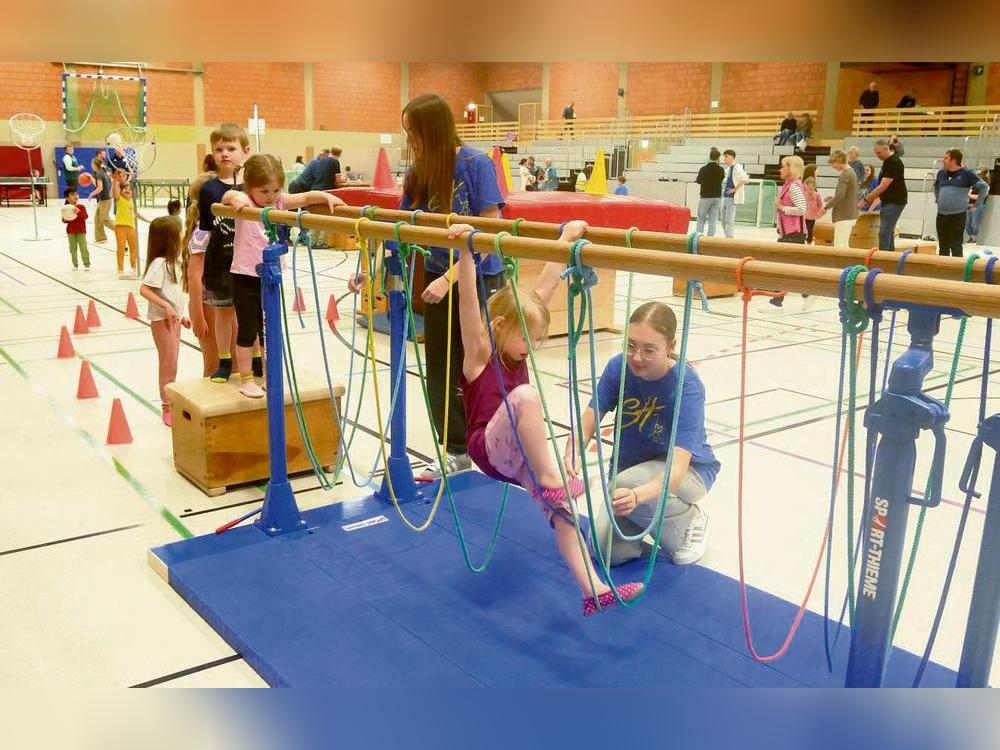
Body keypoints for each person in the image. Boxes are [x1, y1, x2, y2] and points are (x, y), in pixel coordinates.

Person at [448, 217, 644, 615]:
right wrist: (466, 253)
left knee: (565, 513)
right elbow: (468, 301)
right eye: (528, 339)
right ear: (500, 325)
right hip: (488, 448)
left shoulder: (515, 333)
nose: (531, 348)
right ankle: (554, 480)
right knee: (526, 395)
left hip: (518, 456)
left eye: (536, 340)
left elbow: (544, 289)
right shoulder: (480, 351)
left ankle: (593, 589)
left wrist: (564, 238)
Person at [398, 93, 509, 478]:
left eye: (415, 133)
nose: (411, 142)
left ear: (433, 129)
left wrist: (451, 278)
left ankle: (489, 443)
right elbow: (401, 226)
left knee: (475, 362)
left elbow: (490, 225)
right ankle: (456, 449)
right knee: (439, 367)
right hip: (437, 272)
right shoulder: (419, 173)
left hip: (477, 275)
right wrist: (373, 269)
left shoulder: (475, 164)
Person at [570, 301, 720, 566]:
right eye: (631, 346)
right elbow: (586, 424)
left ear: (670, 348)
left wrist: (637, 496)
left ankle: (690, 521)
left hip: (689, 474)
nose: (637, 357)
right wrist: (570, 458)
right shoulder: (619, 368)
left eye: (650, 350)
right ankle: (644, 522)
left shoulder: (687, 386)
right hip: (630, 474)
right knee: (605, 552)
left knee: (627, 486)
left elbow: (675, 471)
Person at [222, 154, 344, 397]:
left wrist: (326, 196)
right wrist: (235, 197)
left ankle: (270, 374)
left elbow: (307, 197)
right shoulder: (245, 201)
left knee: (269, 329)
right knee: (248, 330)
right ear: (249, 187)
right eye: (264, 191)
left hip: (271, 277)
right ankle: (246, 379)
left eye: (276, 189)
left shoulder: (278, 202)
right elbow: (226, 196)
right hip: (245, 277)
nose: (270, 196)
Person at [194, 122, 252, 383]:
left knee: (251, 313)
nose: (225, 154)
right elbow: (205, 229)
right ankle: (224, 361)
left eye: (231, 148)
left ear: (245, 151)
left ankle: (256, 359)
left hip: (249, 262)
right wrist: (198, 264)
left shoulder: (252, 186)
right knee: (223, 314)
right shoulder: (209, 189)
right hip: (221, 263)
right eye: (219, 149)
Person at [139, 217, 190, 427]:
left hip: (174, 321)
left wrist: (182, 313)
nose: (182, 236)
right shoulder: (159, 264)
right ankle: (167, 407)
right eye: (179, 233)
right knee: (168, 365)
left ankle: (171, 401)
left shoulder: (173, 264)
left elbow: (175, 294)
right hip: (162, 322)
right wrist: (166, 307)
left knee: (173, 364)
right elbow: (144, 289)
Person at [183, 172, 227, 378]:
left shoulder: (217, 227)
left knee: (231, 363)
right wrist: (197, 315)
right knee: (214, 365)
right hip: (209, 304)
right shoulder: (203, 232)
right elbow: (194, 276)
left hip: (222, 299)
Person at [768, 155, 809, 309]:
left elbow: (802, 209)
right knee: (791, 268)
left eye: (783, 166)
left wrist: (782, 208)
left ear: (791, 168)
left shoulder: (793, 187)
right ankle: (807, 293)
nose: (780, 169)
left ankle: (776, 302)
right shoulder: (788, 185)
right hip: (789, 234)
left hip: (793, 234)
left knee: (780, 268)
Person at [933, 148, 990, 258]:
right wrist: (938, 199)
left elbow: (984, 187)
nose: (943, 160)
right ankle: (943, 270)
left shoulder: (966, 174)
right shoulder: (941, 173)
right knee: (943, 245)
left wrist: (977, 204)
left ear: (954, 160)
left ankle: (957, 270)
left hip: (957, 215)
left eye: (946, 158)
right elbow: (936, 186)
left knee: (956, 245)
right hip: (941, 214)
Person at [862, 139, 907, 251]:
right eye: (876, 153)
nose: (877, 156)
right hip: (888, 201)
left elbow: (883, 186)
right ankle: (890, 257)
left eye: (879, 153)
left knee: (884, 232)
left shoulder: (894, 162)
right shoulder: (887, 161)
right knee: (888, 231)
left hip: (895, 201)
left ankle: (883, 259)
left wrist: (867, 199)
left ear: (886, 149)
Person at [112, 173, 149, 277]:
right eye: (125, 189)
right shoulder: (119, 200)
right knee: (121, 248)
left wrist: (148, 221)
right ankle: (120, 269)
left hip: (131, 227)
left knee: (134, 248)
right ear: (121, 191)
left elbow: (136, 214)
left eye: (130, 189)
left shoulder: (132, 202)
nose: (128, 190)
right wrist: (115, 181)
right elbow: (115, 191)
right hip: (120, 227)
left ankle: (134, 267)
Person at [824, 150, 859, 248]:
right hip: (851, 214)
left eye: (833, 163)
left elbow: (840, 195)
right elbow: (847, 194)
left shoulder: (845, 174)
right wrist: (833, 198)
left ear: (839, 161)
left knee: (839, 244)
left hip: (844, 215)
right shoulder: (852, 172)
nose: (833, 166)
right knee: (844, 243)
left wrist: (826, 206)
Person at [695, 147, 725, 236]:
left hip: (705, 196)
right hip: (716, 196)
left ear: (709, 157)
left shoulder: (704, 169)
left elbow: (699, 181)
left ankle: (698, 236)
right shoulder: (721, 169)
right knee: (713, 219)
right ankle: (710, 238)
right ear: (718, 158)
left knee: (701, 219)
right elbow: (721, 180)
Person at [720, 149, 748, 238]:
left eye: (726, 156)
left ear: (732, 157)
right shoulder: (728, 169)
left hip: (732, 197)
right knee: (723, 219)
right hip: (725, 195)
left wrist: (734, 189)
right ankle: (727, 235)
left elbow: (744, 179)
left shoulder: (737, 167)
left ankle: (729, 237)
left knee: (729, 219)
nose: (724, 158)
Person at [62, 187, 90, 271]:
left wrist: (78, 212)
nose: (75, 196)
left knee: (83, 247)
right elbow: (64, 220)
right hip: (71, 231)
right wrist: (65, 218)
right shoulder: (66, 208)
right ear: (67, 198)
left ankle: (86, 264)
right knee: (72, 248)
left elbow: (85, 217)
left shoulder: (81, 207)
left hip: (81, 231)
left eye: (76, 194)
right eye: (72, 195)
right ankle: (75, 264)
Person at [90, 155, 115, 243]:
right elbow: (99, 186)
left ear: (94, 165)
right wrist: (91, 179)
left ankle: (120, 230)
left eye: (92, 164)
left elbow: (99, 188)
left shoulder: (99, 174)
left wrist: (91, 194)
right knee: (97, 219)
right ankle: (101, 237)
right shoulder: (102, 173)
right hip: (103, 199)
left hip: (105, 199)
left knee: (104, 219)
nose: (91, 165)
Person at [802, 163, 826, 243]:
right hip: (805, 214)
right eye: (816, 170)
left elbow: (820, 204)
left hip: (812, 215)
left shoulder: (815, 192)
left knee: (810, 229)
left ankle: (808, 241)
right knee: (806, 228)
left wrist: (820, 211)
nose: (818, 171)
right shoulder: (806, 184)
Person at [967, 169, 990, 243]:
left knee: (974, 222)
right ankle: (970, 237)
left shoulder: (985, 185)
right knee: (967, 223)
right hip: (970, 204)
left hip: (978, 205)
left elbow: (981, 196)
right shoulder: (974, 185)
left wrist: (970, 195)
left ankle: (974, 238)